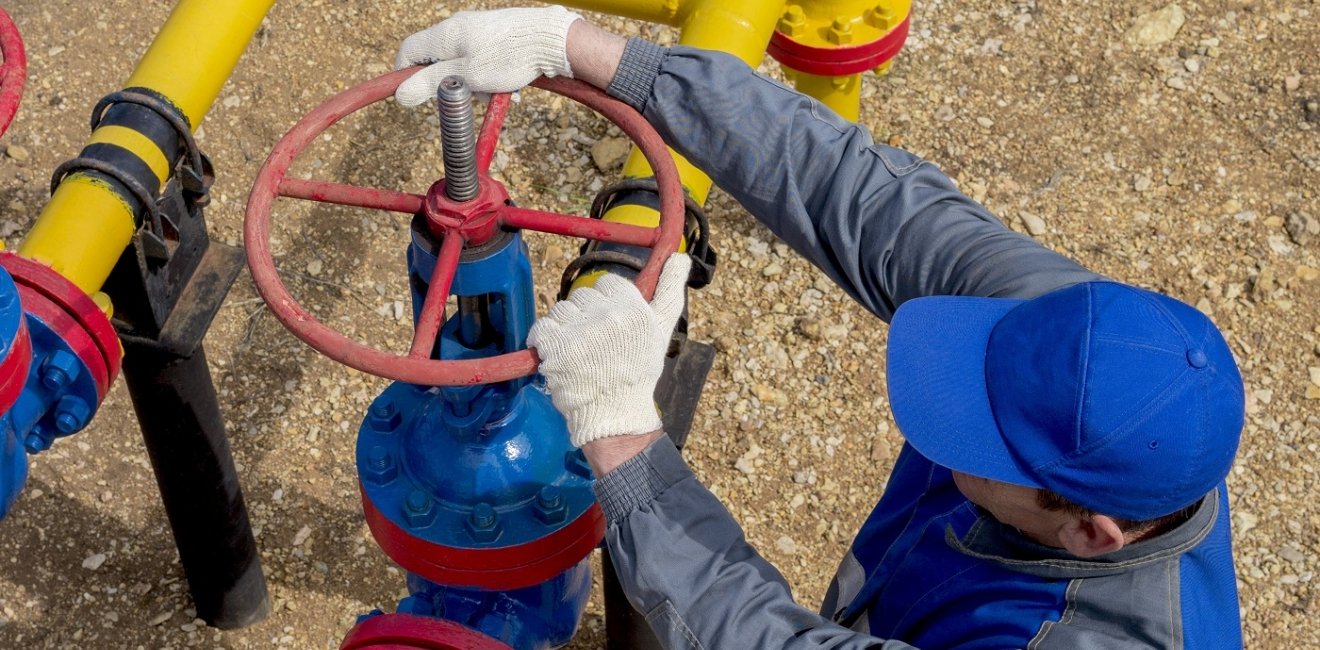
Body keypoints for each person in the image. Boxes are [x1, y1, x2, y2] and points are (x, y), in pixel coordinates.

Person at [394, 7, 1246, 649]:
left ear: (1091, 536)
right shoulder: (1086, 348)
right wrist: (587, 48)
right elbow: (856, 191)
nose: (942, 430)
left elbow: (773, 638)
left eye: (976, 444)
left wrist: (622, 441)